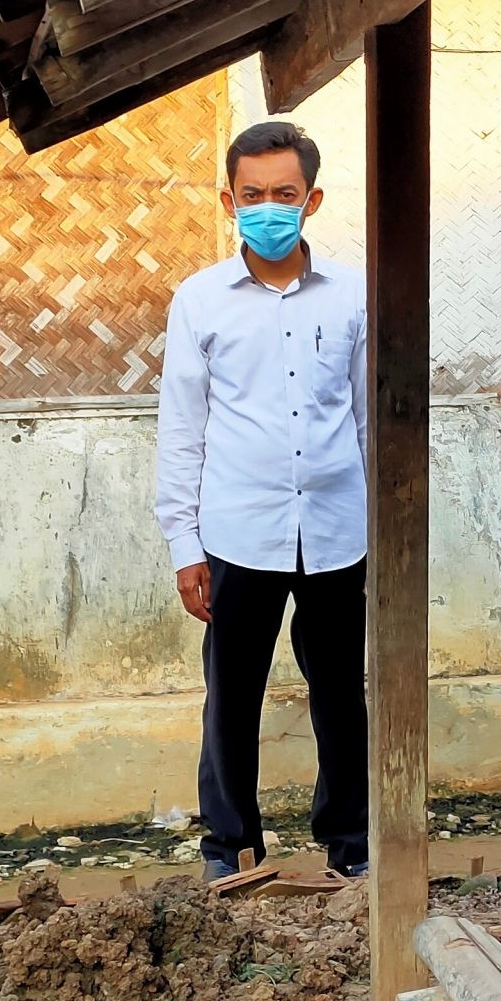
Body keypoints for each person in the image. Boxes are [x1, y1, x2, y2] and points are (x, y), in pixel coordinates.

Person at [154, 120, 370, 884]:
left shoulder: (354, 295)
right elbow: (182, 427)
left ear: (312, 200)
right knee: (232, 698)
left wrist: (387, 527)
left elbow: (370, 417)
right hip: (238, 534)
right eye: (252, 196)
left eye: (284, 194)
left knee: (342, 695)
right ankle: (232, 849)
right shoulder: (201, 301)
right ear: (228, 200)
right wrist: (184, 544)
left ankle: (352, 846)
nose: (268, 208)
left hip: (338, 532)